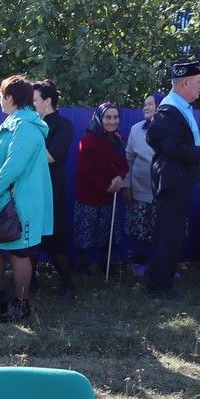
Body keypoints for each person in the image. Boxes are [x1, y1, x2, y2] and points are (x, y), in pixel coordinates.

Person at [0, 75, 54, 322]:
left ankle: (22, 306)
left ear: (9, 97)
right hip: (1, 200)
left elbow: (14, 166)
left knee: (20, 252)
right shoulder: (14, 121)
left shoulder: (27, 126)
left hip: (21, 203)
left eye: (0, 95)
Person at [147, 60, 200, 298]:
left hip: (178, 179)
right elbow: (172, 146)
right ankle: (159, 287)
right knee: (168, 234)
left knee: (171, 232)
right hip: (173, 180)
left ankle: (160, 281)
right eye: (198, 82)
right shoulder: (169, 110)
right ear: (185, 82)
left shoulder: (179, 107)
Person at [31, 80, 78, 297]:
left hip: (51, 189)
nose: (31, 104)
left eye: (34, 100)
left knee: (55, 242)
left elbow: (53, 156)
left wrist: (23, 155)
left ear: (47, 101)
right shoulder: (30, 123)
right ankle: (30, 283)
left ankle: (68, 285)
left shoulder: (63, 124)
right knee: (29, 241)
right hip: (29, 189)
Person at [74, 103, 130, 273]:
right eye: (108, 117)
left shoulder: (118, 139)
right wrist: (106, 186)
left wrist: (120, 177)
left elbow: (124, 164)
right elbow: (86, 170)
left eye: (115, 117)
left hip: (110, 197)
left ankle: (107, 265)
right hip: (89, 195)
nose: (112, 121)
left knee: (109, 232)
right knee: (86, 232)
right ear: (99, 118)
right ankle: (82, 266)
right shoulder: (87, 140)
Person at [124, 93, 163, 275]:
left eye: (150, 104)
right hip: (140, 189)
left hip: (164, 191)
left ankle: (162, 265)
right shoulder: (136, 129)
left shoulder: (170, 128)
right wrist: (127, 185)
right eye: (144, 104)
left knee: (163, 229)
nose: (145, 107)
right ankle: (139, 263)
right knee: (140, 229)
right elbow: (129, 159)